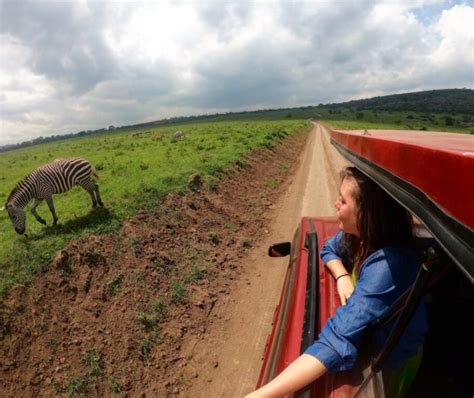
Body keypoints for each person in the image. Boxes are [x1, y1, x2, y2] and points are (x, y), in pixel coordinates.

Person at [246, 166, 427, 398]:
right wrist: (341, 274)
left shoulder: (389, 267)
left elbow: (336, 341)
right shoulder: (361, 236)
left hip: (395, 358)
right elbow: (329, 248)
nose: (336, 204)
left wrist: (259, 395)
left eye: (343, 200)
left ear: (366, 214)